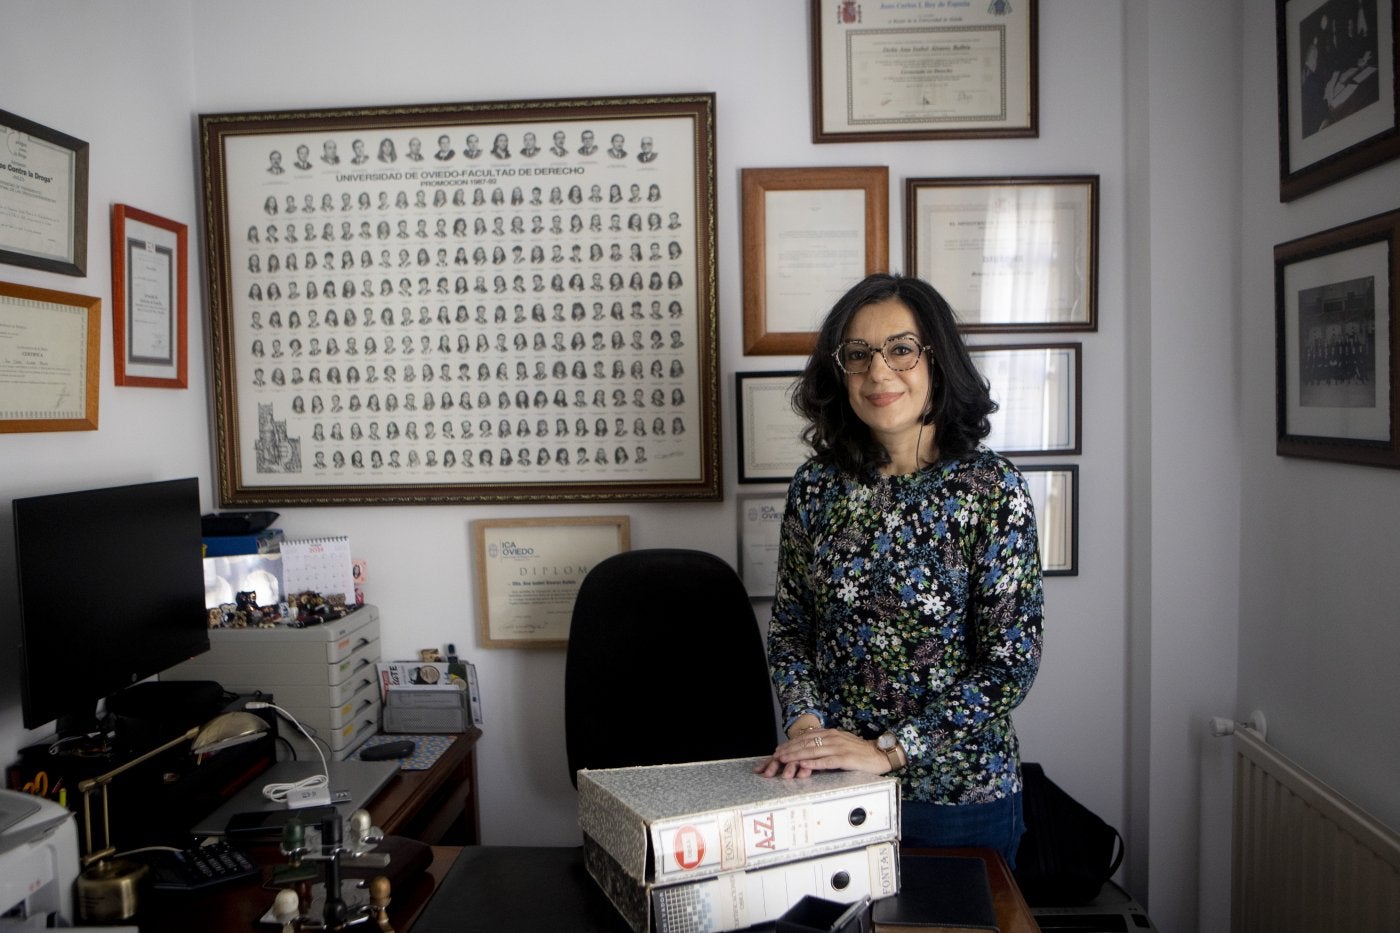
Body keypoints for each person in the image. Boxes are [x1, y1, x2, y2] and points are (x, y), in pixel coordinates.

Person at [755, 273, 1044, 867]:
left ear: (938, 361)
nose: (878, 372)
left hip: (955, 802)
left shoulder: (992, 489)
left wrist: (889, 751)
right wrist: (806, 725)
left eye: (901, 349)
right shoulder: (817, 487)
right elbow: (791, 630)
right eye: (857, 355)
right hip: (829, 789)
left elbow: (1009, 664)